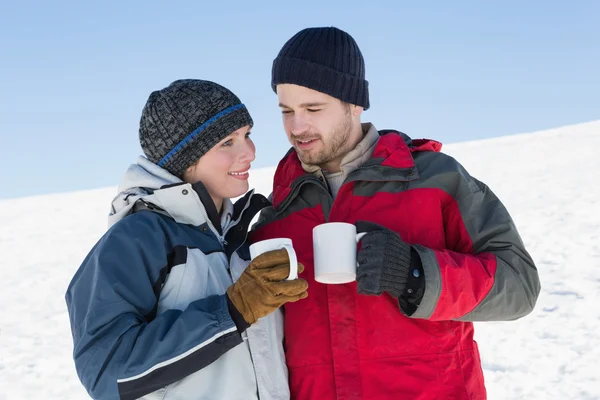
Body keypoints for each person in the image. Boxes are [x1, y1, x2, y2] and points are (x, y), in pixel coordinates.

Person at [250, 27, 541, 400]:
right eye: (286, 111)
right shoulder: (278, 209)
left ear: (354, 104)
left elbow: (519, 286)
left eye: (313, 109)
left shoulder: (436, 180)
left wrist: (416, 275)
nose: (296, 127)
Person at [65, 79, 308, 400]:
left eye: (247, 135)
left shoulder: (242, 239)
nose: (249, 152)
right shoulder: (137, 238)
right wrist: (231, 312)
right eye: (227, 142)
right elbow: (106, 373)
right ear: (185, 159)